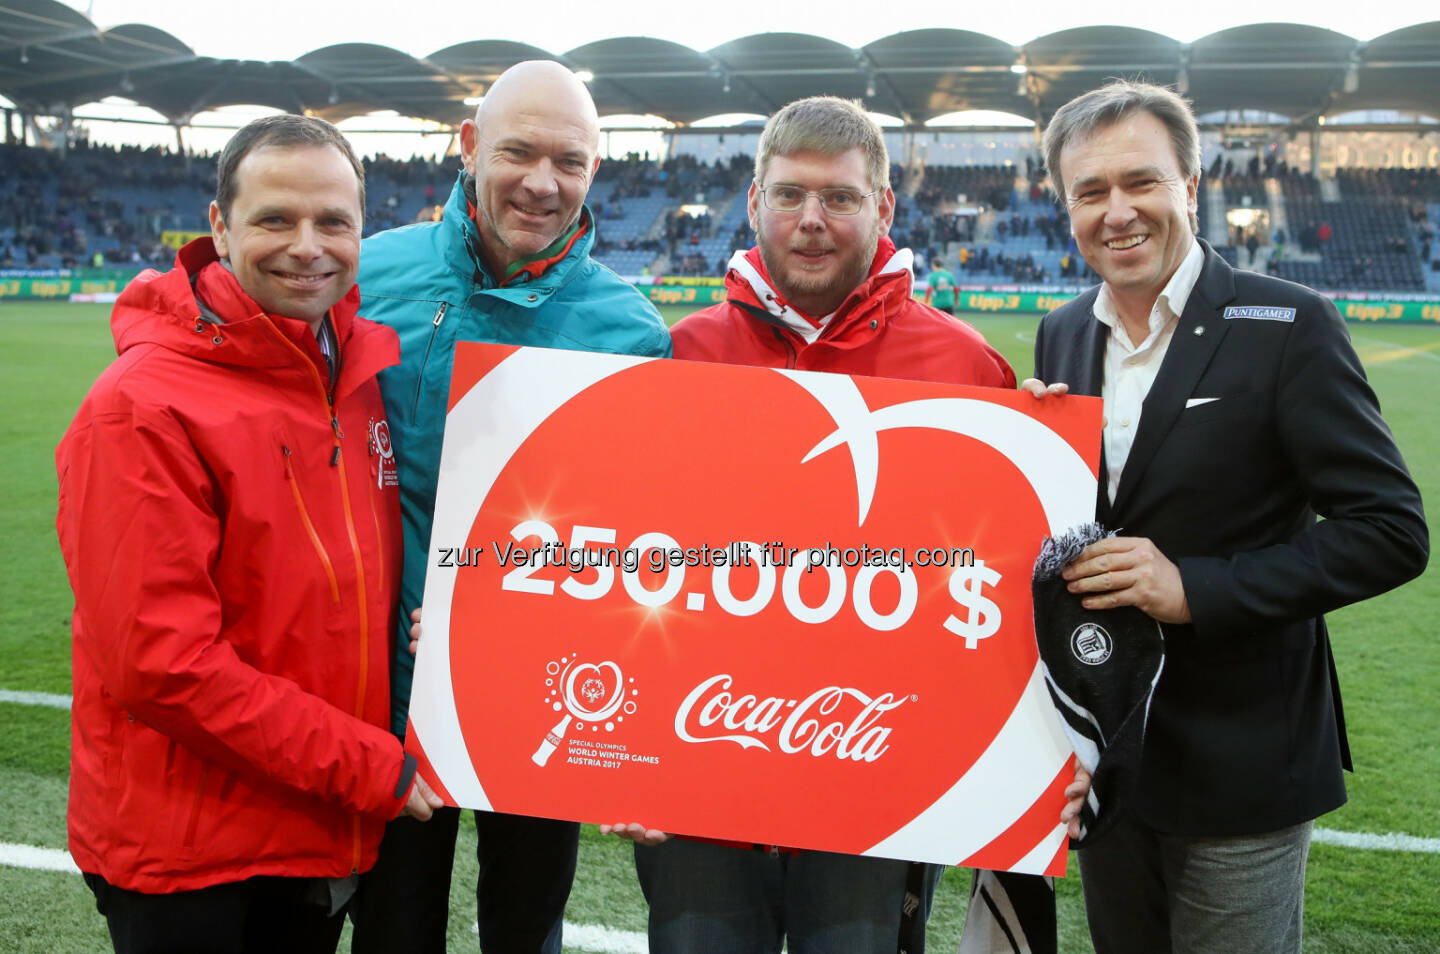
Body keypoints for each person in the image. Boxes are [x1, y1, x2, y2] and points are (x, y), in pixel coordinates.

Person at [608, 95, 1017, 954]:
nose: (812, 221)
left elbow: (1002, 578)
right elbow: (618, 556)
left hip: (877, 760)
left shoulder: (966, 368)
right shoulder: (681, 354)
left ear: (884, 208)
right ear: (754, 201)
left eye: (840, 197)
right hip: (698, 757)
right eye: (790, 195)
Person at [1027, 80, 1428, 954]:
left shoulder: (1289, 323)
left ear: (1191, 188)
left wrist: (1193, 590)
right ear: (1065, 208)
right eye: (1090, 192)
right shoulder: (1060, 334)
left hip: (1244, 756)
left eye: (1142, 182)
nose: (1118, 211)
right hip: (1103, 755)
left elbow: (1392, 531)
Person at [55, 114, 443, 954]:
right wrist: (369, 768)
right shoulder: (140, 407)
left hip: (312, 830)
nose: (308, 246)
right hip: (195, 857)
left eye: (333, 222)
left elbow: (339, 590)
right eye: (276, 219)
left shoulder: (355, 373)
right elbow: (165, 665)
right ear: (220, 227)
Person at [349, 60, 671, 954]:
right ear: (468, 148)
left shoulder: (631, 332)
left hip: (542, 698)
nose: (542, 181)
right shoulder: (366, 278)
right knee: (392, 930)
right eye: (518, 152)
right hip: (388, 698)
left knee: (526, 930)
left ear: (595, 171)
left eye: (568, 161)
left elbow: (642, 534)